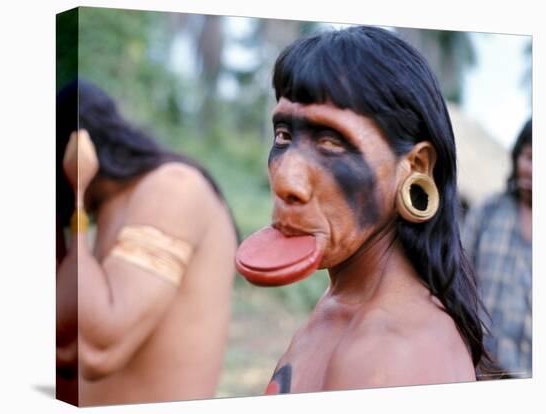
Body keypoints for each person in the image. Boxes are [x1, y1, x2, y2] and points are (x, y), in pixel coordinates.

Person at [235, 26, 489, 393]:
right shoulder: (341, 302)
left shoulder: (394, 353)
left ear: (416, 166)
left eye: (329, 141)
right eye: (283, 136)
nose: (285, 181)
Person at [56, 79, 238, 406]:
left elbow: (97, 348)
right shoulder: (115, 204)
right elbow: (64, 349)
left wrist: (78, 193)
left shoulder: (172, 187)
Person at [462, 119, 532, 379]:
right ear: (516, 157)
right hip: (480, 366)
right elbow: (460, 277)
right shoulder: (487, 212)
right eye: (529, 158)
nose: (533, 170)